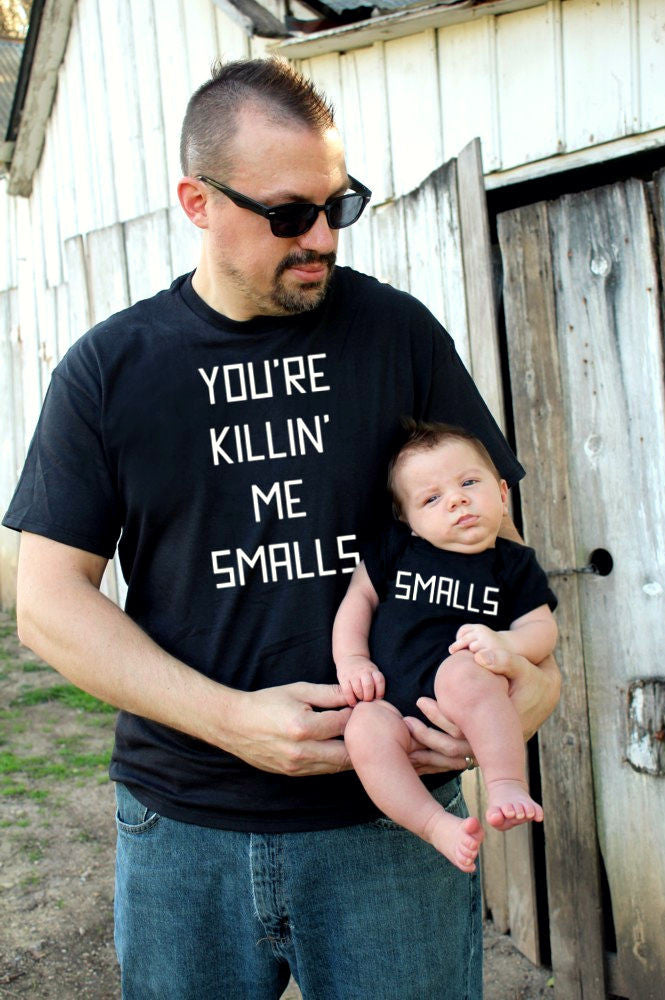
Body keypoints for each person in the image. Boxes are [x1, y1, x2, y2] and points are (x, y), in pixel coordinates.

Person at [3, 58, 560, 1000]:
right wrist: (232, 722)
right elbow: (49, 605)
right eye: (290, 213)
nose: (322, 240)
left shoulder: (398, 335)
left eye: (338, 208)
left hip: (389, 821)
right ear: (197, 201)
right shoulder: (109, 371)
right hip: (182, 827)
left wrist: (528, 675)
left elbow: (500, 543)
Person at [333, 421, 558, 873]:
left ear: (502, 493)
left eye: (469, 483)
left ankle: (507, 784)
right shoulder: (397, 549)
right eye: (431, 499)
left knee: (464, 673)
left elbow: (542, 631)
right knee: (363, 730)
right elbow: (357, 600)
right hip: (389, 701)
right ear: (408, 520)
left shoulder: (512, 564)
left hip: (457, 690)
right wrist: (352, 659)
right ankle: (436, 825)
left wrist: (504, 643)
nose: (456, 500)